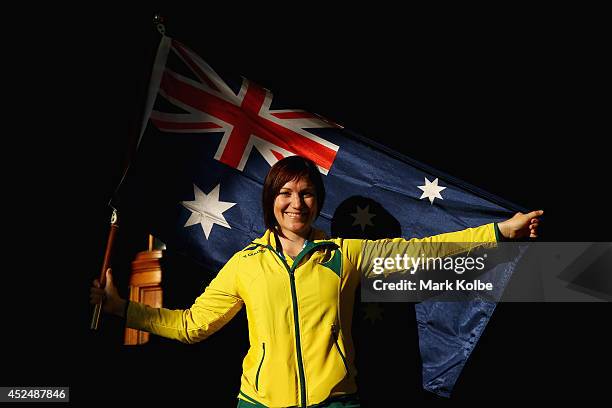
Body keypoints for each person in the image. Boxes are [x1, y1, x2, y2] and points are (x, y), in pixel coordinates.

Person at [91, 156, 542, 407]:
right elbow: (193, 325)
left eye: (306, 193)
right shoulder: (245, 263)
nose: (296, 202)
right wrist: (121, 310)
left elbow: (422, 253)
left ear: (317, 201)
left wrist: (499, 232)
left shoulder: (344, 255)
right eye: (285, 193)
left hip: (336, 404)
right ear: (271, 202)